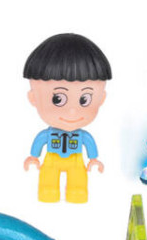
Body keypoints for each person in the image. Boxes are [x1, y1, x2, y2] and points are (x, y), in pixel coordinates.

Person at [23, 33, 111, 203]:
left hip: (76, 160)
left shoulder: (83, 136)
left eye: (84, 100)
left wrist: (93, 159)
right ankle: (48, 191)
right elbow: (40, 141)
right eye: (58, 99)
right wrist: (34, 156)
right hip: (51, 159)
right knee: (48, 181)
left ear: (101, 99)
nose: (72, 111)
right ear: (33, 98)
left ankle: (77, 191)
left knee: (78, 183)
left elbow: (89, 144)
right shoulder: (47, 134)